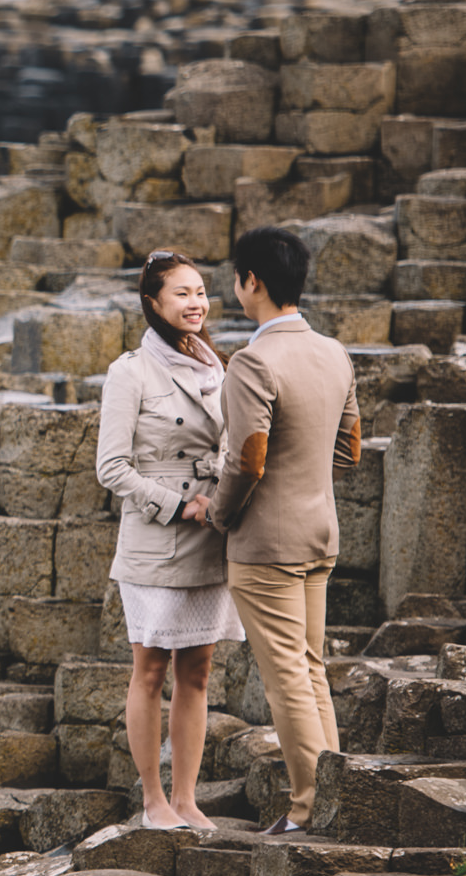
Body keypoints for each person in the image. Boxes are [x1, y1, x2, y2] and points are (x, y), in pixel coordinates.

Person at [209, 225, 362, 835]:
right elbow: (349, 449)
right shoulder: (334, 352)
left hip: (267, 543)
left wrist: (221, 515)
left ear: (253, 282)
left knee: (286, 681)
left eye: (236, 279)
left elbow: (247, 460)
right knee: (311, 667)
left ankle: (307, 811)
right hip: (320, 531)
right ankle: (340, 800)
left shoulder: (253, 360)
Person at [97, 250, 238, 830]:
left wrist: (221, 495)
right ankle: (153, 801)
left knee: (198, 671)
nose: (195, 303)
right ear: (153, 303)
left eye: (201, 292)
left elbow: (232, 444)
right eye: (181, 294)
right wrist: (179, 504)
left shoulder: (220, 369)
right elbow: (111, 467)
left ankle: (186, 799)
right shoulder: (129, 371)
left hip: (211, 536)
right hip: (157, 540)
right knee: (150, 670)